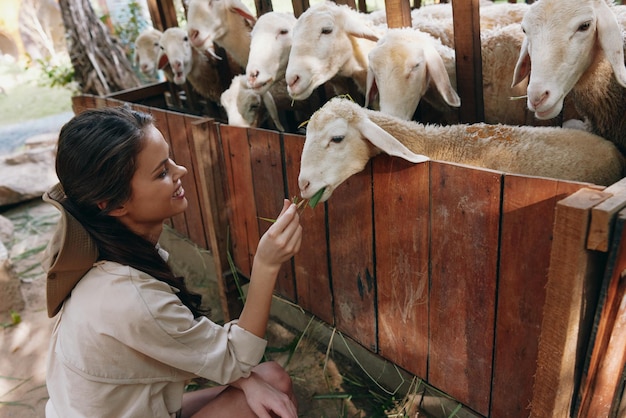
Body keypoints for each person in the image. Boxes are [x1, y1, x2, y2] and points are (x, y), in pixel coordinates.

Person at [41, 106, 303, 418]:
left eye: (170, 161)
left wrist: (246, 381)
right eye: (162, 172)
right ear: (113, 204)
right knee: (268, 394)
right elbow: (233, 357)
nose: (181, 172)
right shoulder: (130, 297)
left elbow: (211, 358)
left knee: (270, 380)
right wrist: (267, 265)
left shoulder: (101, 250)